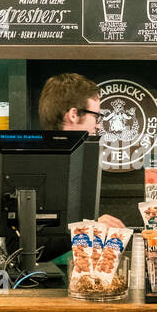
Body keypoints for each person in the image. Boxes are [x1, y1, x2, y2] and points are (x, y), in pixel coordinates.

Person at [38, 72, 123, 230]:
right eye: (96, 116)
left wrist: (91, 226)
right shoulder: (38, 164)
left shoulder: (79, 159)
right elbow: (26, 242)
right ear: (74, 115)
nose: (97, 125)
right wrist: (91, 228)